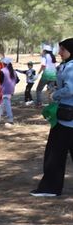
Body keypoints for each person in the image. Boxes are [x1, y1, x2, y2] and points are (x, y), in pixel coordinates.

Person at [31, 38, 73, 197]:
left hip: (66, 118)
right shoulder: (66, 66)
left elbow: (71, 89)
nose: (60, 53)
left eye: (62, 49)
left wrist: (55, 94)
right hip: (66, 117)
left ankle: (50, 188)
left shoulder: (71, 67)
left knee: (54, 154)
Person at [0, 57, 16, 124]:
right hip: (11, 89)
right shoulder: (13, 71)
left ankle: (10, 119)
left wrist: (1, 86)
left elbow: (0, 81)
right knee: (3, 103)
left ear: (4, 64)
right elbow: (17, 80)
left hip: (5, 89)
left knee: (7, 104)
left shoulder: (2, 71)